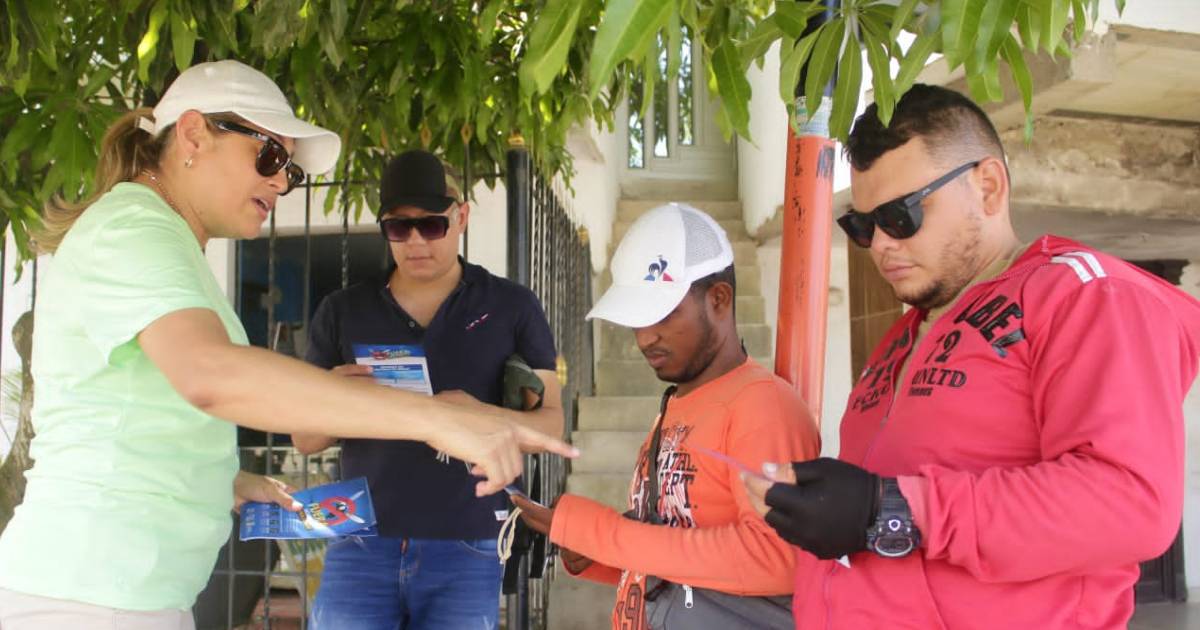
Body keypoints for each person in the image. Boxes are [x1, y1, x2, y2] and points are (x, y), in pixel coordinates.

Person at [0, 60, 574, 630]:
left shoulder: (162, 238)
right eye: (270, 156)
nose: (281, 182)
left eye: (290, 171)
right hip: (86, 595)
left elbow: (134, 422)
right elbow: (211, 375)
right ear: (194, 135)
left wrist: (228, 483)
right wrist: (434, 419)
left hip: (124, 592)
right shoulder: (133, 228)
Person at [744, 84, 1200, 629]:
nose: (881, 244)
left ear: (987, 187)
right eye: (862, 226)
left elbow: (1129, 503)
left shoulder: (1085, 296)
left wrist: (890, 509)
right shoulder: (906, 334)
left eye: (901, 215)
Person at [512, 203, 820, 630]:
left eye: (660, 314)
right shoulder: (678, 402)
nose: (644, 337)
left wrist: (604, 534)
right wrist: (598, 554)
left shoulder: (763, 406)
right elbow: (682, 557)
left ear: (719, 300)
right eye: (636, 318)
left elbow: (778, 558)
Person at [291, 149, 563, 630]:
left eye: (432, 225)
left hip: (467, 542)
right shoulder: (343, 310)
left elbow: (551, 425)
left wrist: (475, 414)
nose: (416, 240)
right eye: (399, 227)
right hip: (361, 540)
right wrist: (333, 397)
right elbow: (305, 439)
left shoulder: (511, 306)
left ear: (461, 218)